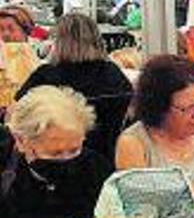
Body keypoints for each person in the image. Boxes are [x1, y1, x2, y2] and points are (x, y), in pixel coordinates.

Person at [115, 55, 194, 204]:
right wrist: (187, 198)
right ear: (160, 108)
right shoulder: (134, 142)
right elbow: (134, 205)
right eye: (188, 108)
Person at [17, 13, 132, 163]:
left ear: (59, 41)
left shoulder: (45, 76)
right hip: (108, 159)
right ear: (96, 39)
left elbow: (19, 115)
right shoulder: (113, 74)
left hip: (51, 162)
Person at [0, 86, 112, 218]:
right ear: (21, 141)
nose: (66, 159)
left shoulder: (97, 169)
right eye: (55, 153)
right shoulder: (5, 168)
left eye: (74, 150)